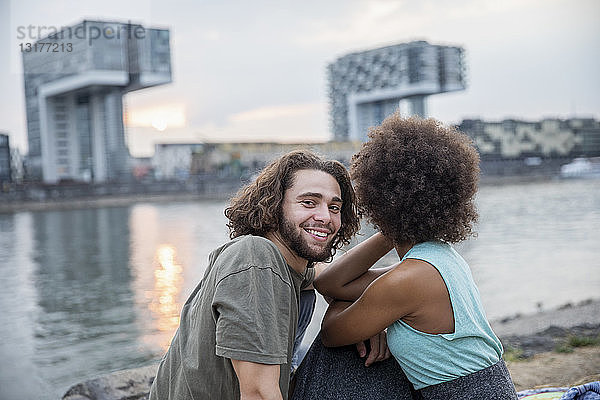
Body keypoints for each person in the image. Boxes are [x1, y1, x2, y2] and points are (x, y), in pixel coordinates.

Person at [292, 115, 518, 399]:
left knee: (337, 354)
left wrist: (368, 317)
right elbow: (330, 283)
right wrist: (394, 230)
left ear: (377, 200)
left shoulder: (408, 280)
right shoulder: (440, 260)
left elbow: (331, 334)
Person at [149, 150, 361, 400]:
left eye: (334, 207)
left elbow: (332, 279)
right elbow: (259, 394)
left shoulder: (290, 267)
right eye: (308, 202)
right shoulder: (256, 257)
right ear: (274, 205)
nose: (325, 217)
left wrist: (369, 320)